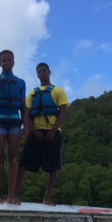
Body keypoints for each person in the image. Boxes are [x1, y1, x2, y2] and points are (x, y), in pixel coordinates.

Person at [14, 62, 68, 206]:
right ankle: (15, 195)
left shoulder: (58, 91)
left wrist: (53, 131)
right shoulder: (32, 93)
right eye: (39, 71)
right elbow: (27, 114)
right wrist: (33, 131)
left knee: (54, 166)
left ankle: (47, 198)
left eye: (44, 70)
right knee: (23, 163)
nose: (42, 73)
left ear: (49, 72)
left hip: (53, 132)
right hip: (35, 132)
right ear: (37, 75)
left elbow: (63, 112)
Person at [0, 50, 26, 204]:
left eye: (9, 60)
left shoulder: (21, 82)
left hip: (15, 122)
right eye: (4, 60)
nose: (7, 62)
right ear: (0, 63)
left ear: (14, 62)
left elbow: (23, 106)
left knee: (13, 157)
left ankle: (12, 195)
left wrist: (26, 125)